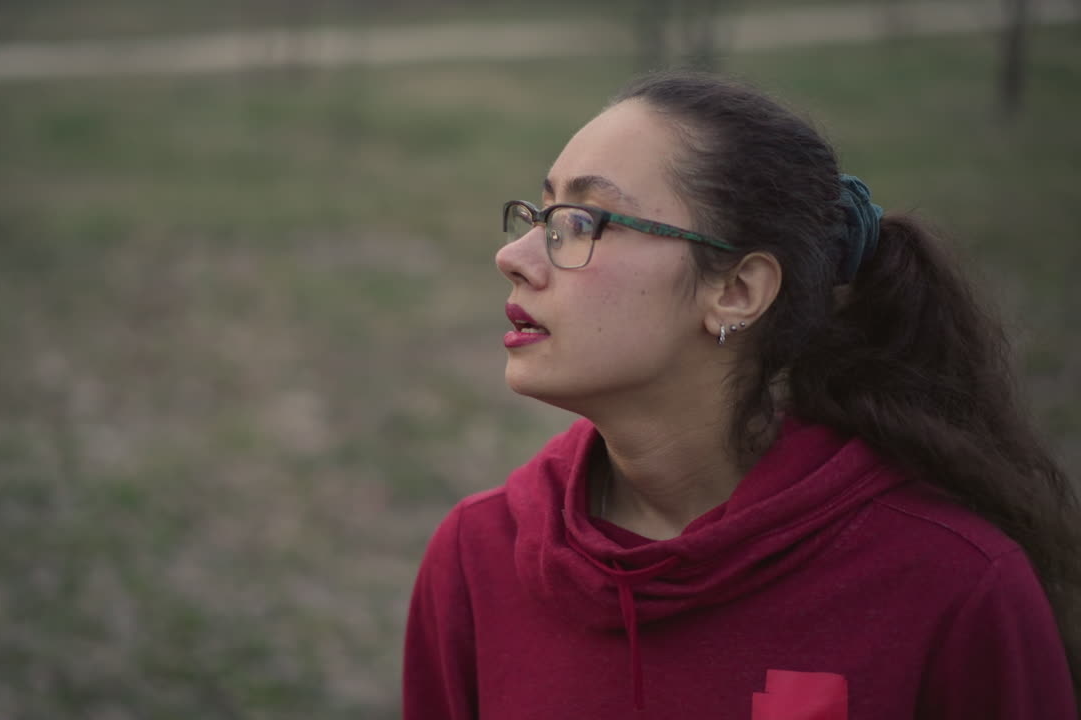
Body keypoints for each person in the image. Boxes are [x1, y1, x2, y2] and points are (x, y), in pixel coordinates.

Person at [402, 70, 1079, 719]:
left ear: (737, 292)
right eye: (542, 212)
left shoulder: (953, 584)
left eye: (584, 221)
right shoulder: (478, 557)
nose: (515, 256)